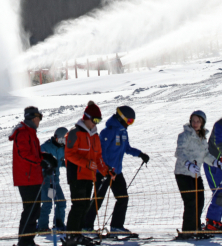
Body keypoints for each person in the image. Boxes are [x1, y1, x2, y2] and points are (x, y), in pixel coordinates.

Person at [82, 106, 150, 237]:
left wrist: (140, 154)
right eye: (129, 121)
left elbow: (127, 148)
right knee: (98, 200)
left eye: (132, 122)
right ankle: (86, 226)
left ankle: (116, 226)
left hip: (117, 172)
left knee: (122, 198)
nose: (129, 124)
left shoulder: (123, 132)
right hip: (103, 172)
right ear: (121, 117)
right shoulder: (108, 132)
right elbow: (100, 153)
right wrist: (106, 169)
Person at [63, 101, 113, 246]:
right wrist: (85, 163)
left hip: (89, 175)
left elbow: (98, 158)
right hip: (76, 175)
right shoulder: (74, 133)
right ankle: (71, 236)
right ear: (86, 117)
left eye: (99, 121)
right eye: (95, 120)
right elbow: (69, 154)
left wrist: (106, 171)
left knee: (85, 206)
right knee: (78, 205)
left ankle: (78, 234)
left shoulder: (95, 136)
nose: (96, 123)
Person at [174, 111, 222, 240]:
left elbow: (205, 155)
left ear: (202, 123)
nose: (195, 124)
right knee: (190, 201)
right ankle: (187, 231)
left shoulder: (202, 138)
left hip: (196, 174)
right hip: (183, 173)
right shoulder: (184, 135)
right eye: (193, 121)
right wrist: (188, 164)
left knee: (199, 201)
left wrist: (215, 163)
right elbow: (179, 152)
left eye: (198, 121)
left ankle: (196, 229)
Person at [9, 107, 51, 246]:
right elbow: (24, 154)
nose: (39, 121)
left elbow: (33, 153)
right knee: (30, 210)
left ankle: (28, 240)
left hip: (32, 177)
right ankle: (24, 241)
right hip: (27, 178)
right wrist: (41, 161)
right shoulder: (23, 133)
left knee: (34, 210)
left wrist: (45, 157)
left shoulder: (30, 132)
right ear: (33, 118)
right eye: (39, 118)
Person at [37, 127, 68, 233]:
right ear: (55, 137)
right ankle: (42, 226)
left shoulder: (63, 149)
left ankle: (58, 224)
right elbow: (38, 160)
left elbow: (62, 161)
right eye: (60, 140)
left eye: (64, 141)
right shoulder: (46, 147)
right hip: (46, 181)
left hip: (55, 181)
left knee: (61, 202)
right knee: (47, 202)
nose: (62, 142)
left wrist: (68, 164)